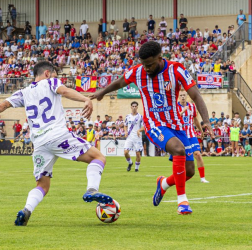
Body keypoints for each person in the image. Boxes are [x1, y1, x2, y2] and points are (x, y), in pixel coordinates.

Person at [0, 61, 114, 226]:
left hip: (40, 144)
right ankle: (91, 190)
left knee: (42, 185)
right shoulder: (50, 82)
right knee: (98, 157)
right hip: (58, 135)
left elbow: (1, 106)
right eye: (55, 75)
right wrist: (85, 99)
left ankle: (26, 210)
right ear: (48, 73)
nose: (57, 79)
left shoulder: (23, 93)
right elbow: (64, 91)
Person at [91, 41, 213, 215]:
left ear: (160, 58)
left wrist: (206, 121)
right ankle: (182, 201)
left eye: (150, 64)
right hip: (154, 124)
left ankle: (163, 183)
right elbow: (119, 83)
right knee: (178, 149)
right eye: (144, 64)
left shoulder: (176, 70)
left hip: (176, 125)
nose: (146, 68)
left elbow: (196, 95)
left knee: (189, 172)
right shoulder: (137, 72)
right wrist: (102, 92)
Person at [176, 90, 209, 183]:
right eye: (181, 95)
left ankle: (202, 178)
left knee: (198, 154)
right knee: (182, 158)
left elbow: (195, 119)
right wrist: (183, 111)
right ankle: (181, 176)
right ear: (179, 97)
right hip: (180, 135)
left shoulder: (192, 106)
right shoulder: (175, 107)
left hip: (191, 134)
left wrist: (201, 131)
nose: (183, 97)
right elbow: (175, 118)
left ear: (187, 96)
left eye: (184, 95)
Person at [123, 101, 144, 172]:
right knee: (125, 152)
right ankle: (130, 163)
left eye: (135, 106)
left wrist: (139, 130)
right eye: (133, 106)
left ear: (137, 107)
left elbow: (144, 127)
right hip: (129, 137)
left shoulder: (140, 117)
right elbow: (125, 125)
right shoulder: (128, 116)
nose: (134, 107)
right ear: (131, 107)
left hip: (137, 137)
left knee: (138, 153)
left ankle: (136, 168)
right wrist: (125, 131)